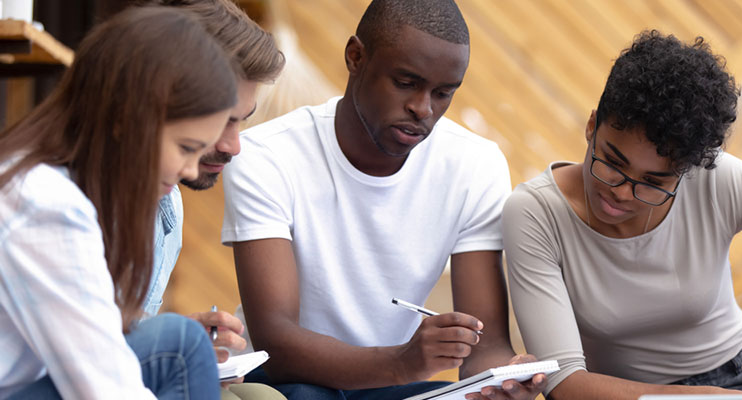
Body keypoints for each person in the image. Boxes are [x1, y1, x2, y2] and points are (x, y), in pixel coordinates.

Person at [221, 1, 546, 399]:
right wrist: (402, 362)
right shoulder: (265, 156)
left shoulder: (475, 166)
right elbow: (276, 344)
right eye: (406, 82)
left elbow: (486, 344)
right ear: (355, 57)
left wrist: (502, 379)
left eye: (443, 93)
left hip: (388, 385)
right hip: (288, 383)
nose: (423, 108)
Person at [503, 30, 742, 400]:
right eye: (612, 163)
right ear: (592, 126)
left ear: (685, 171)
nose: (621, 192)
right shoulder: (536, 214)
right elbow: (566, 385)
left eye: (653, 182)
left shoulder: (715, 179)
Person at [0, 7, 237, 399]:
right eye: (186, 148)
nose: (192, 170)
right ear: (126, 119)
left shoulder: (57, 184)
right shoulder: (45, 204)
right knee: (180, 345)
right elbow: (106, 389)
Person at [136, 1, 286, 399]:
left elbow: (114, 334)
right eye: (221, 121)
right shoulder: (68, 203)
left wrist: (182, 338)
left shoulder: (169, 204)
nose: (234, 146)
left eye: (243, 120)